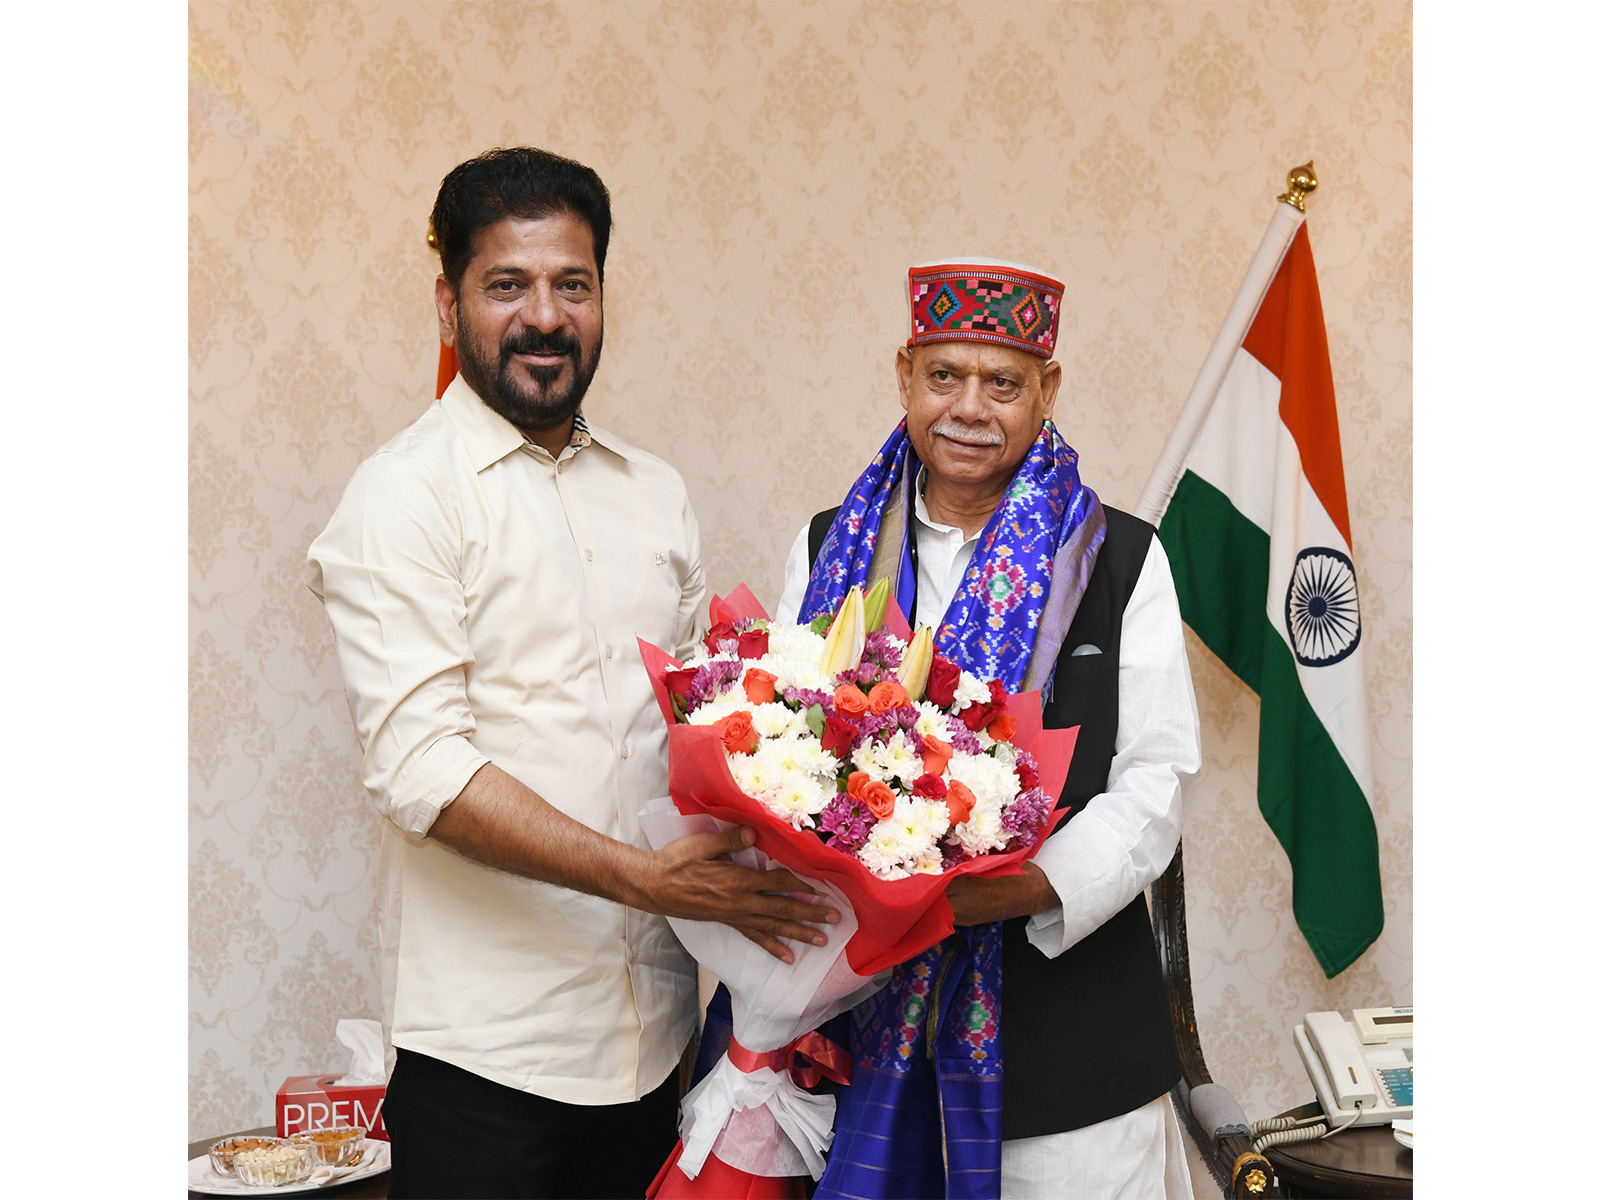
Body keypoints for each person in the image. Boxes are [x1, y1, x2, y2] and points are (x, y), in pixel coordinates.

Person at [306, 147, 837, 1200]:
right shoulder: (403, 496)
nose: (544, 317)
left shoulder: (655, 494)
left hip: (656, 1048)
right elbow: (422, 772)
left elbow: (701, 747)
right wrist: (642, 879)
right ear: (452, 304)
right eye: (508, 284)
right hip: (484, 1060)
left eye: (573, 284)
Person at [773, 258, 1202, 1198]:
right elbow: (777, 751)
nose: (970, 407)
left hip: (1074, 1058)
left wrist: (1014, 892)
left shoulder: (1121, 557)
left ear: (1048, 390)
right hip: (859, 1022)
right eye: (944, 376)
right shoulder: (823, 548)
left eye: (1002, 382)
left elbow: (1156, 782)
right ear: (903, 376)